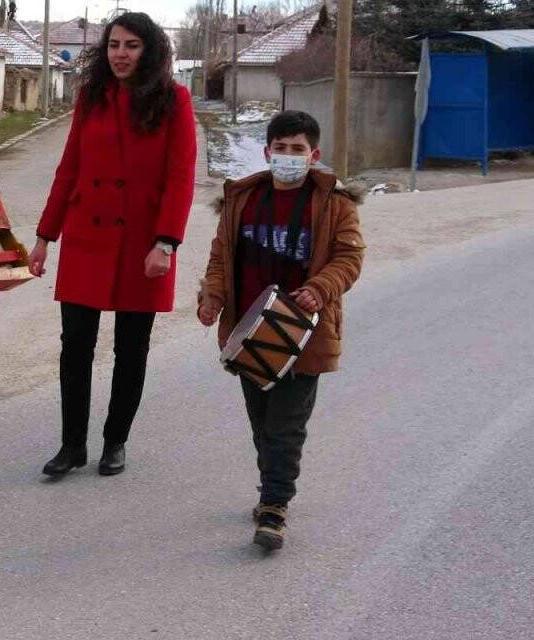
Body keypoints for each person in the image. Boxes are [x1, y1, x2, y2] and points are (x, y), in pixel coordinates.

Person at [29, 12, 196, 478]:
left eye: (132, 45)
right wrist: (46, 236)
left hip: (143, 243)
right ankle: (71, 445)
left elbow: (181, 178)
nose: (120, 54)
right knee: (75, 345)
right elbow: (69, 168)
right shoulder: (91, 98)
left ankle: (115, 441)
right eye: (114, 45)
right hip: (88, 238)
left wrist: (166, 242)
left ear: (152, 51)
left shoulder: (174, 100)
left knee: (131, 348)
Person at [196, 111, 366, 550]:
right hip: (251, 330)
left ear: (314, 155)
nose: (289, 157)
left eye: (298, 150)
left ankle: (274, 506)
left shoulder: (335, 204)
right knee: (262, 421)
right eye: (281, 149)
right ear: (267, 151)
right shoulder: (242, 199)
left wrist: (320, 288)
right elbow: (220, 257)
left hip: (303, 331)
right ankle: (271, 487)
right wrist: (212, 297)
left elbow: (349, 260)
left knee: (286, 425)